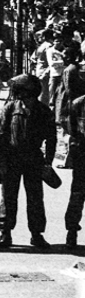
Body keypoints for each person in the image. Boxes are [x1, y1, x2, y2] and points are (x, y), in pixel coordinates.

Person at [0, 73, 57, 249]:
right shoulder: (10, 108)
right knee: (8, 197)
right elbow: (0, 135)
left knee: (35, 198)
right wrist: (1, 159)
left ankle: (36, 234)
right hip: (12, 157)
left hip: (33, 159)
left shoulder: (44, 111)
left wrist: (48, 163)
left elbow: (51, 139)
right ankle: (5, 232)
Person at [64, 66, 85, 249]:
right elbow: (71, 130)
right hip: (83, 156)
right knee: (77, 195)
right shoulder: (78, 105)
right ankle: (72, 231)